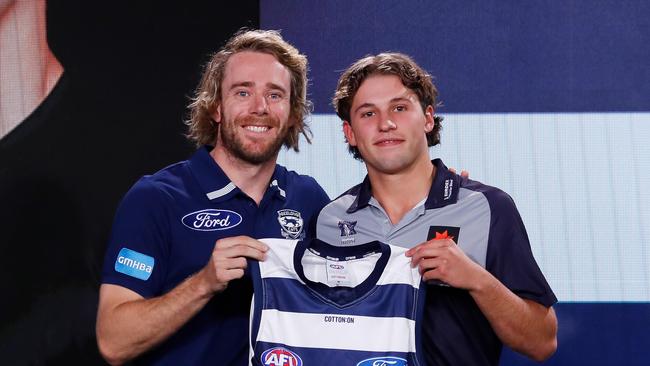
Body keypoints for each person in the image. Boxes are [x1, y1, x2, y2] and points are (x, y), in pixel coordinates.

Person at [95, 29, 329, 365]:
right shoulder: (157, 198)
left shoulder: (309, 199)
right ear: (216, 107)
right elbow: (113, 342)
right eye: (243, 92)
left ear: (292, 113)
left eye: (275, 95)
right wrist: (203, 283)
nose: (260, 107)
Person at [314, 53, 558, 366]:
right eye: (368, 114)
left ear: (428, 118)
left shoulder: (487, 208)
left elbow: (542, 342)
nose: (386, 124)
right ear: (350, 133)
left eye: (399, 108)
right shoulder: (330, 220)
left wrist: (477, 280)